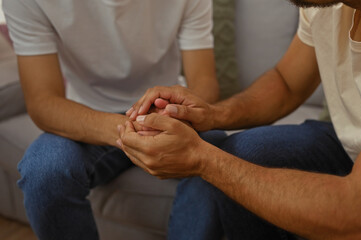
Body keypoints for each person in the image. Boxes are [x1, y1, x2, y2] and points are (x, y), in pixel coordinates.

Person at [116, 0, 361, 239]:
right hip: (354, 147)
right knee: (234, 152)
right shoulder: (332, 6)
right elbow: (286, 83)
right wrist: (213, 114)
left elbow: (360, 215)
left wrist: (201, 159)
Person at [2, 0, 221, 239]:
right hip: (86, 118)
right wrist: (132, 127)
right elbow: (42, 103)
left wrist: (170, 116)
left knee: (220, 154)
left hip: (165, 113)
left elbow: (205, 85)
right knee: (44, 170)